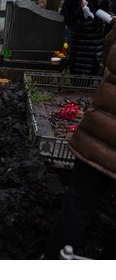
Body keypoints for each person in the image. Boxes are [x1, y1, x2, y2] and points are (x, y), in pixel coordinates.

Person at [42, 22, 116, 260]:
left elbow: (106, 55)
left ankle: (54, 260)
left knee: (77, 204)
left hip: (101, 131)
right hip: (102, 130)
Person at [61, 0, 114, 75]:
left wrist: (110, 16)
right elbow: (67, 12)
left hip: (95, 36)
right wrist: (78, 14)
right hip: (79, 36)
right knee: (77, 68)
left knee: (92, 67)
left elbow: (106, 9)